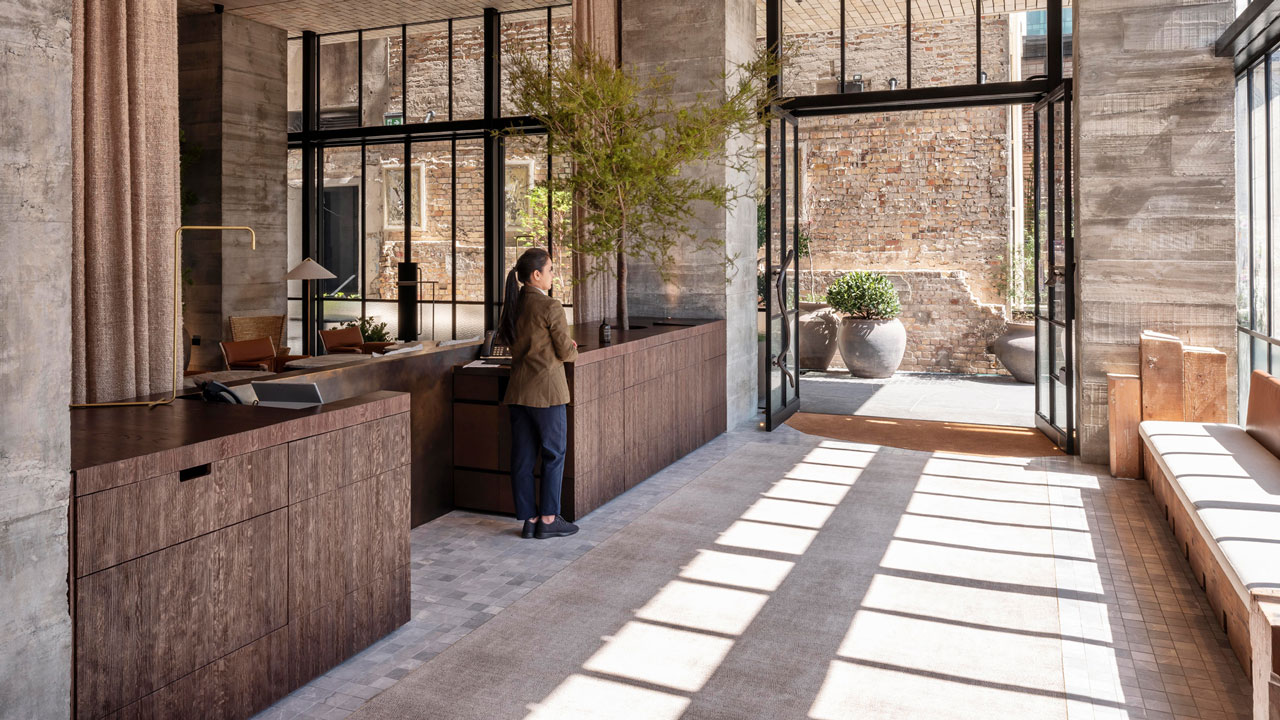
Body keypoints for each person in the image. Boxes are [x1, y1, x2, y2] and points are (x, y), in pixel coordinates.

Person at [498, 247, 579, 539]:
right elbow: (565, 351)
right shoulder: (549, 306)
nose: (552, 275)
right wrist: (573, 349)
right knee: (554, 454)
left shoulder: (513, 304)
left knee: (522, 458)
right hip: (547, 394)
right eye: (551, 270)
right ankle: (548, 518)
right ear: (536, 274)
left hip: (518, 393)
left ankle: (529, 519)